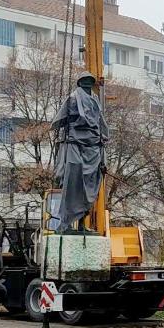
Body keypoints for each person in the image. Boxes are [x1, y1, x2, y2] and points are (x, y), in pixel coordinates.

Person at [51, 71, 109, 233]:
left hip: (93, 150)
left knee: (90, 190)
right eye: (84, 80)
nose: (87, 83)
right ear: (79, 83)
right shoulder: (73, 99)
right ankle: (66, 225)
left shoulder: (96, 101)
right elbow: (60, 120)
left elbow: (101, 124)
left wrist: (103, 160)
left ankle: (83, 225)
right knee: (72, 187)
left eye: (89, 81)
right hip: (76, 147)